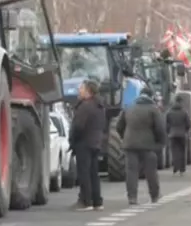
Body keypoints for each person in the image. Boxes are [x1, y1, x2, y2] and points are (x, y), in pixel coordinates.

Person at [115, 87, 166, 204]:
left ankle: (132, 197)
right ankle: (155, 195)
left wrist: (125, 137)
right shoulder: (153, 109)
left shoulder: (129, 108)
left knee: (131, 171)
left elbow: (118, 126)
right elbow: (160, 128)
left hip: (130, 145)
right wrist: (160, 143)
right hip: (148, 145)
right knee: (150, 171)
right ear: (151, 96)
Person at [69, 79, 106, 211]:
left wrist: (73, 139)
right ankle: (97, 201)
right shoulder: (99, 106)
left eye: (82, 88)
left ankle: (86, 201)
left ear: (88, 91)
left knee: (84, 173)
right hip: (96, 142)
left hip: (84, 143)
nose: (79, 90)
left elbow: (78, 126)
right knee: (93, 173)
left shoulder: (85, 106)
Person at [164, 96, 191, 175]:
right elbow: (188, 124)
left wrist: (168, 131)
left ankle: (175, 167)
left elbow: (166, 124)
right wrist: (185, 130)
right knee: (182, 151)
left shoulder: (169, 112)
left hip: (172, 134)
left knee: (174, 151)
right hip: (182, 134)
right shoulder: (184, 112)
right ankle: (182, 169)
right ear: (181, 102)